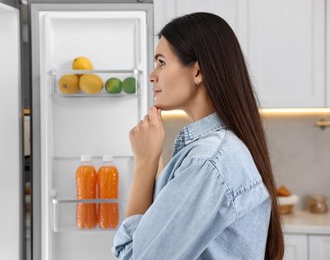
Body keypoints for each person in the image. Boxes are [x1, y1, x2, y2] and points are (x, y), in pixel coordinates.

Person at [112, 12, 284, 260]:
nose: (152, 75)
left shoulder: (207, 161)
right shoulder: (215, 153)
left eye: (161, 62)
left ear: (198, 72)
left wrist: (144, 163)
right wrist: (155, 162)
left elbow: (133, 257)